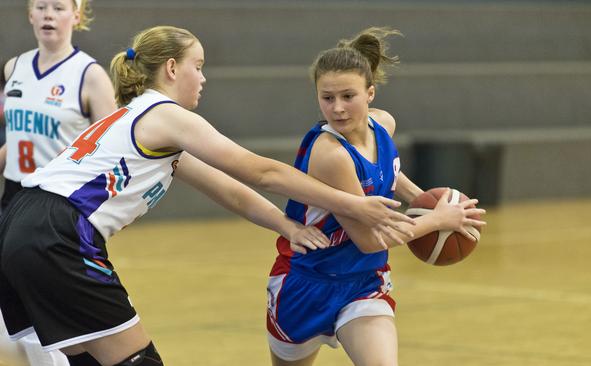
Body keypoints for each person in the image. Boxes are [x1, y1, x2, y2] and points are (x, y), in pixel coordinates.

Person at [0, 25, 416, 366]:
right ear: (171, 68)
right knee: (135, 361)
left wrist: (285, 224)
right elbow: (261, 171)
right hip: (60, 232)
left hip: (20, 223)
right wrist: (354, 204)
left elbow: (230, 191)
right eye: (197, 66)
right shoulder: (166, 114)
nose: (203, 77)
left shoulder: (136, 119)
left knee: (87, 356)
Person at [265, 27, 487, 366]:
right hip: (306, 283)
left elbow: (387, 170)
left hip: (364, 283)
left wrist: (421, 197)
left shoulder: (383, 125)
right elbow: (370, 239)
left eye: (347, 96)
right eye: (327, 98)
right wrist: (437, 220)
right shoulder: (331, 155)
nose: (337, 108)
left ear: (370, 93)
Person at [0, 0, 115, 365]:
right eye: (41, 6)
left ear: (77, 16)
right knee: (18, 313)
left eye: (59, 7)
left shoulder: (90, 75)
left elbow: (113, 149)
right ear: (30, 14)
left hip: (58, 207)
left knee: (67, 311)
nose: (49, 14)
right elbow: (18, 139)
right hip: (13, 197)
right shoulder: (14, 67)